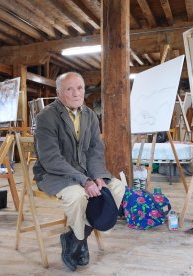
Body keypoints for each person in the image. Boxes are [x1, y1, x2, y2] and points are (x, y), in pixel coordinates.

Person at [33, 72, 126, 271]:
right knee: (78, 196)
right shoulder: (46, 117)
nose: (76, 94)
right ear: (58, 92)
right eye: (69, 89)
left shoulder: (90, 115)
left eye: (80, 88)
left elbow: (94, 151)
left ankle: (75, 239)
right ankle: (79, 240)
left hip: (84, 171)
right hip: (54, 174)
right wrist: (85, 181)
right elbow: (51, 159)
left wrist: (98, 176)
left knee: (117, 187)